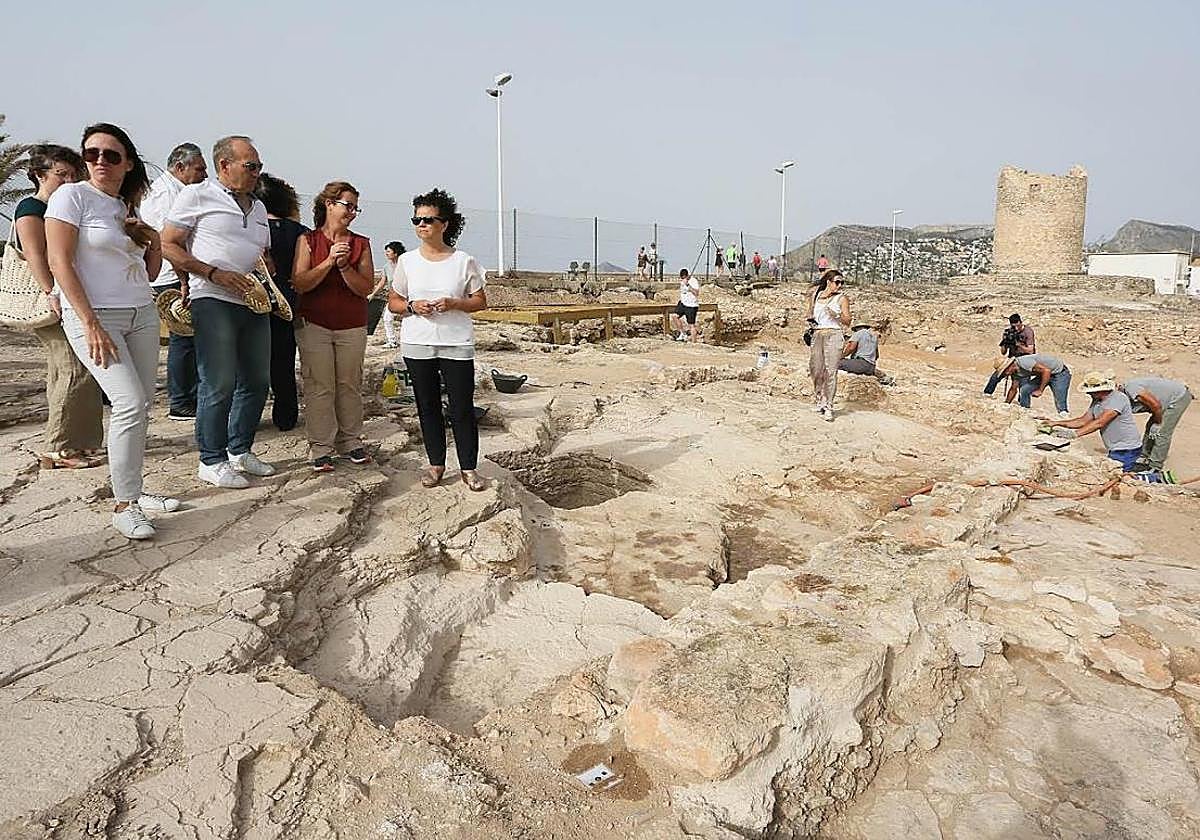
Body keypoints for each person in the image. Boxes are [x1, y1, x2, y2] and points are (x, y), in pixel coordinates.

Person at [44, 123, 181, 539]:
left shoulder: (124, 206)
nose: (100, 161)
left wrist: (151, 240)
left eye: (111, 154)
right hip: (96, 315)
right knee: (129, 403)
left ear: (128, 163)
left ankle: (133, 490)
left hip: (141, 311)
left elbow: (150, 272)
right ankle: (124, 504)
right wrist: (89, 322)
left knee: (141, 406)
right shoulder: (71, 196)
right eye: (91, 153)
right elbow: (59, 262)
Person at [160, 135, 274, 489]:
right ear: (224, 165)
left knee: (257, 380)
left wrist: (265, 272)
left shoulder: (258, 208)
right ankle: (211, 459)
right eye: (250, 165)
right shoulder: (197, 194)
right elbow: (168, 244)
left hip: (253, 301)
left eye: (259, 166)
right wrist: (210, 273)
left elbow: (261, 253)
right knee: (219, 381)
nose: (257, 172)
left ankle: (240, 450)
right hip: (212, 297)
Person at [386, 188, 488, 491]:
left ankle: (468, 467)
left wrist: (455, 303)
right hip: (418, 342)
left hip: (456, 342)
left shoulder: (464, 261)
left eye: (428, 219)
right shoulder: (407, 261)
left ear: (444, 224)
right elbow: (393, 301)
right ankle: (436, 464)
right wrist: (411, 306)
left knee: (462, 407)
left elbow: (480, 301)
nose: (421, 225)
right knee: (427, 405)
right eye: (416, 219)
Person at [15, 144, 105, 470]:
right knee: (73, 368)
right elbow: (36, 255)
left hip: (68, 295)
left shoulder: (60, 207)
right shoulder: (31, 208)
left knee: (69, 370)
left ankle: (76, 442)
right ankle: (59, 447)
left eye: (72, 175)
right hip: (53, 298)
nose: (68, 181)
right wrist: (50, 291)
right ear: (40, 175)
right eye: (60, 174)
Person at [291, 181, 374, 472]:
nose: (352, 212)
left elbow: (365, 288)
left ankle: (350, 441)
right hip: (314, 323)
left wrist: (345, 266)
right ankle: (321, 447)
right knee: (319, 385)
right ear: (329, 204)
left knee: (349, 384)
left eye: (355, 208)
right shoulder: (307, 241)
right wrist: (328, 262)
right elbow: (300, 282)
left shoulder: (361, 243)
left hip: (352, 324)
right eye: (348, 205)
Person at [140, 142, 207, 421]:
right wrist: (184, 280)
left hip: (181, 275)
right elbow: (166, 243)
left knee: (190, 339)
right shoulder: (165, 195)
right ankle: (181, 401)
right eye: (199, 169)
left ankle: (190, 396)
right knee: (183, 338)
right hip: (173, 277)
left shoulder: (180, 192)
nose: (204, 175)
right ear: (180, 167)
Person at [253, 172, 306, 431]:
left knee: (251, 364)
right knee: (283, 363)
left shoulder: (250, 227)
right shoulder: (300, 233)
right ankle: (286, 416)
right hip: (287, 302)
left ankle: (249, 415)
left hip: (254, 301)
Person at [1045, 371, 1143, 472]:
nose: (1088, 393)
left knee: (1119, 475)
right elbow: (1083, 421)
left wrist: (1074, 434)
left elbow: (1100, 422)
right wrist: (1056, 423)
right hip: (1115, 447)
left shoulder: (1118, 399)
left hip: (1127, 449)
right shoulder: (1097, 401)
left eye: (1091, 391)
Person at [1121, 375, 1192, 478]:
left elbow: (1156, 405)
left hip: (1178, 398)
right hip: (1163, 402)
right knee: (1150, 428)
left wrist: (1158, 423)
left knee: (1161, 432)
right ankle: (1144, 457)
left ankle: (1155, 466)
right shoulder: (1124, 395)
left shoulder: (1132, 389)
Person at [806, 269, 850, 421]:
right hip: (818, 333)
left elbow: (848, 320)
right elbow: (810, 313)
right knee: (816, 369)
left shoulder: (841, 298)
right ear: (828, 282)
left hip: (834, 334)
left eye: (842, 282)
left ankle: (829, 405)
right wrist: (810, 320)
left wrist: (836, 315)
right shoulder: (816, 295)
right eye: (837, 282)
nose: (840, 285)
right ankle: (820, 400)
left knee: (831, 371)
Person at [995, 352, 1071, 415]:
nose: (1006, 374)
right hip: (1043, 374)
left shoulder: (1023, 362)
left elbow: (1047, 371)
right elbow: (1013, 389)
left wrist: (1040, 390)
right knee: (1024, 390)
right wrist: (1006, 404)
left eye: (1005, 372)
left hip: (1059, 373)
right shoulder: (1015, 372)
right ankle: (1025, 410)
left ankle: (1063, 417)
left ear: (1009, 366)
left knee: (1060, 402)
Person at [984, 313, 1036, 395]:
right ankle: (987, 394)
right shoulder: (1010, 332)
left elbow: (1030, 350)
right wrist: (1005, 342)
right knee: (996, 376)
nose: (1016, 328)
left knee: (1023, 385)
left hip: (1025, 360)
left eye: (1017, 326)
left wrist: (1018, 345)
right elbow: (1003, 352)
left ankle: (1023, 402)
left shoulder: (1028, 332)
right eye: (1013, 326)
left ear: (1020, 322)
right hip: (1012, 359)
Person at [370, 241, 405, 348]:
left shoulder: (405, 265)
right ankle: (392, 341)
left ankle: (407, 341)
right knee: (387, 318)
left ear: (396, 253)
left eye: (389, 251)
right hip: (393, 297)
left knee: (408, 319)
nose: (386, 253)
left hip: (406, 297)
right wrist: (373, 294)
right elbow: (382, 282)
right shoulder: (386, 267)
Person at [839, 319, 894, 384]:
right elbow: (877, 356)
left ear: (857, 328)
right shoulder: (874, 336)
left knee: (836, 363)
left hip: (861, 363)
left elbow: (851, 348)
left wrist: (841, 356)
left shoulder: (859, 333)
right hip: (871, 366)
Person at [671, 268, 701, 343]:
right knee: (675, 316)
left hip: (691, 305)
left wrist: (688, 285)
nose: (683, 279)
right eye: (682, 278)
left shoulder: (693, 281)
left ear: (687, 275)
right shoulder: (682, 281)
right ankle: (682, 334)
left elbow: (696, 293)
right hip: (683, 303)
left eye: (684, 278)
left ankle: (694, 343)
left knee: (691, 325)